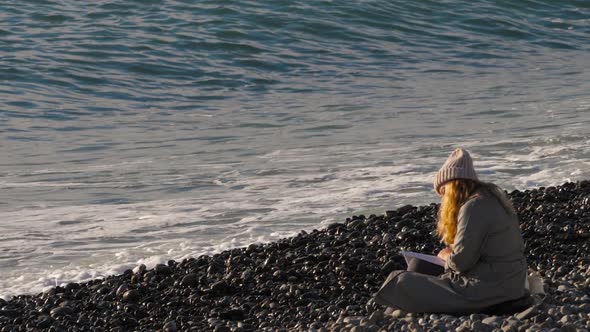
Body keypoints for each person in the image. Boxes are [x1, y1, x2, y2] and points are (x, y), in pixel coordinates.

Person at [372, 148, 529, 314]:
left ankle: (387, 316)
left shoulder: (473, 207)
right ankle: (395, 312)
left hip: (489, 290)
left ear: (452, 187)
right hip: (511, 284)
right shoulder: (492, 199)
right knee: (418, 266)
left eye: (443, 192)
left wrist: (445, 256)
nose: (443, 199)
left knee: (401, 281)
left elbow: (460, 263)